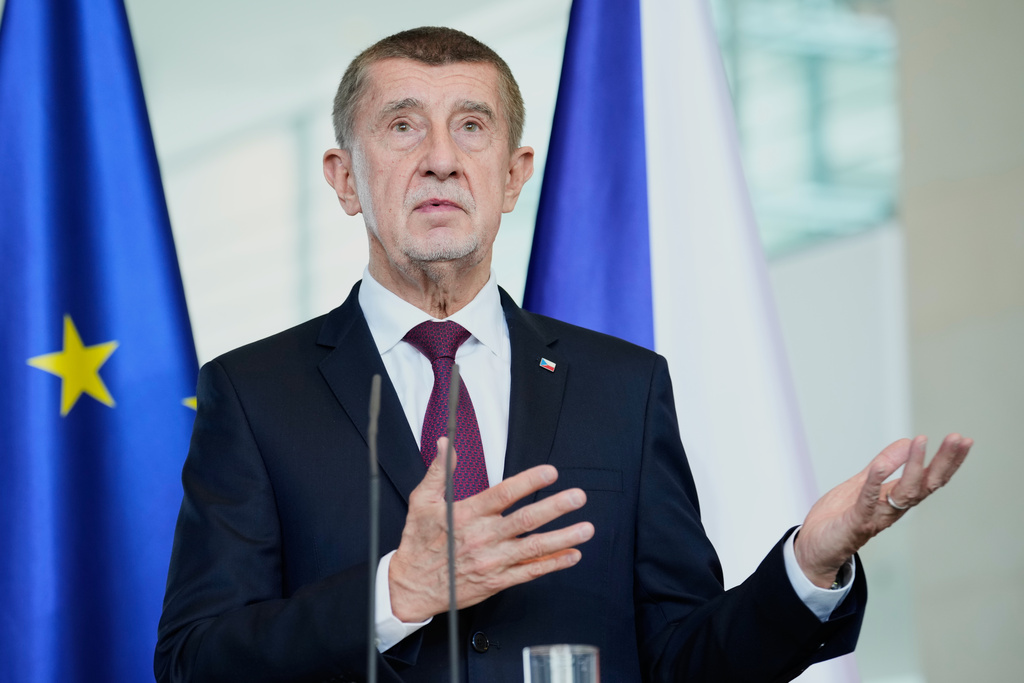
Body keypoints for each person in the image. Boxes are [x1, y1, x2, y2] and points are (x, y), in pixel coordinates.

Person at [154, 26, 972, 683]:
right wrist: (396, 592)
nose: (440, 156)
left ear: (513, 176)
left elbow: (685, 657)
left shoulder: (625, 385)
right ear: (342, 177)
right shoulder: (254, 392)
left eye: (471, 126)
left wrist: (809, 562)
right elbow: (193, 660)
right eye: (402, 125)